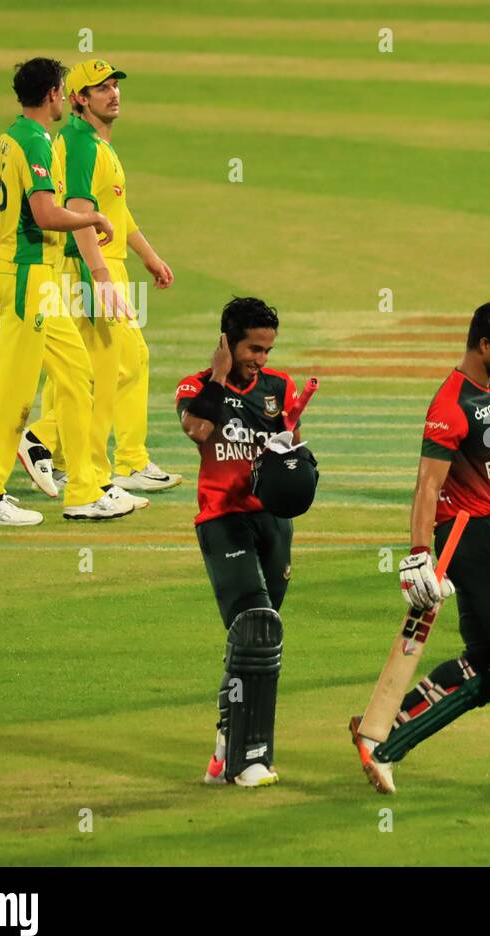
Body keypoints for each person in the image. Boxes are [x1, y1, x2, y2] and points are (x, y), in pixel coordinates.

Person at [349, 300, 490, 799]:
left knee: (484, 662)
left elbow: (489, 478)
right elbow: (427, 488)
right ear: (483, 345)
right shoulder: (451, 405)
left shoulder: (489, 397)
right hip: (476, 540)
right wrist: (418, 554)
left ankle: (385, 733)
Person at [0, 57, 130, 526]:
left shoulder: (6, 140)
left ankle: (82, 490)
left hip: (24, 276)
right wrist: (94, 218)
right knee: (13, 391)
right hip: (27, 276)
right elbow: (44, 214)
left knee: (78, 375)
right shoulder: (36, 143)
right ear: (56, 94)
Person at [20, 58, 180, 506]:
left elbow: (113, 212)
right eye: (101, 88)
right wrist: (103, 277)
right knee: (108, 369)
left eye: (115, 85)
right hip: (91, 269)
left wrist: (147, 255)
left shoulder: (93, 142)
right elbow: (79, 211)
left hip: (101, 268)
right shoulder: (84, 145)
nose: (113, 93)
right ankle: (62, 451)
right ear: (77, 98)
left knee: (99, 369)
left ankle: (97, 462)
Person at [176, 297, 303, 787]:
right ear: (228, 341)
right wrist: (220, 375)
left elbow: (291, 452)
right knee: (252, 625)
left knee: (259, 637)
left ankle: (226, 746)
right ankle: (251, 757)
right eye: (253, 348)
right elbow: (197, 428)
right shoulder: (195, 387)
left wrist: (293, 460)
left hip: (272, 523)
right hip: (222, 520)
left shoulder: (281, 387)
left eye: (268, 349)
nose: (262, 359)